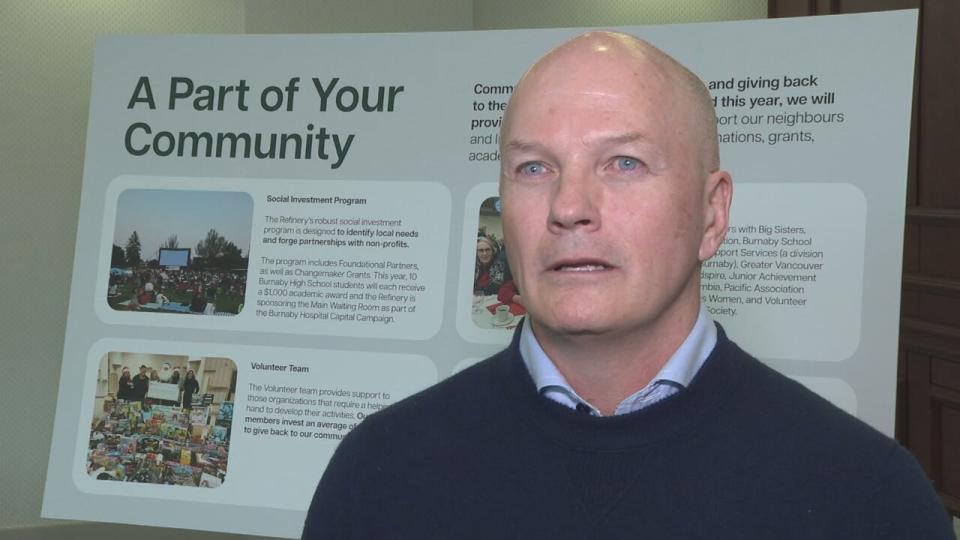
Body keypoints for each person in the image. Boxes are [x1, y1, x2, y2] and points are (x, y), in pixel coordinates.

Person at [302, 32, 953, 538]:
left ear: (712, 214)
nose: (569, 205)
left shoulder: (865, 495)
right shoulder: (380, 473)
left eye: (624, 163)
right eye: (534, 167)